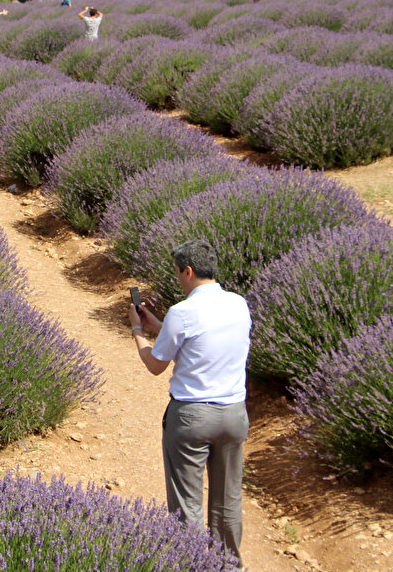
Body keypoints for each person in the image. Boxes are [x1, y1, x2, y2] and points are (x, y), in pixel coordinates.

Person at [129, 239, 250, 567]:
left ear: (189, 271)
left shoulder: (182, 312)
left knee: (187, 507)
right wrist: (159, 326)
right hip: (234, 415)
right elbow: (201, 344)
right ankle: (229, 566)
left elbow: (156, 365)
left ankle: (191, 565)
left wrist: (138, 331)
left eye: (179, 274)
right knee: (227, 503)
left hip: (192, 418)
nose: (178, 280)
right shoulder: (239, 304)